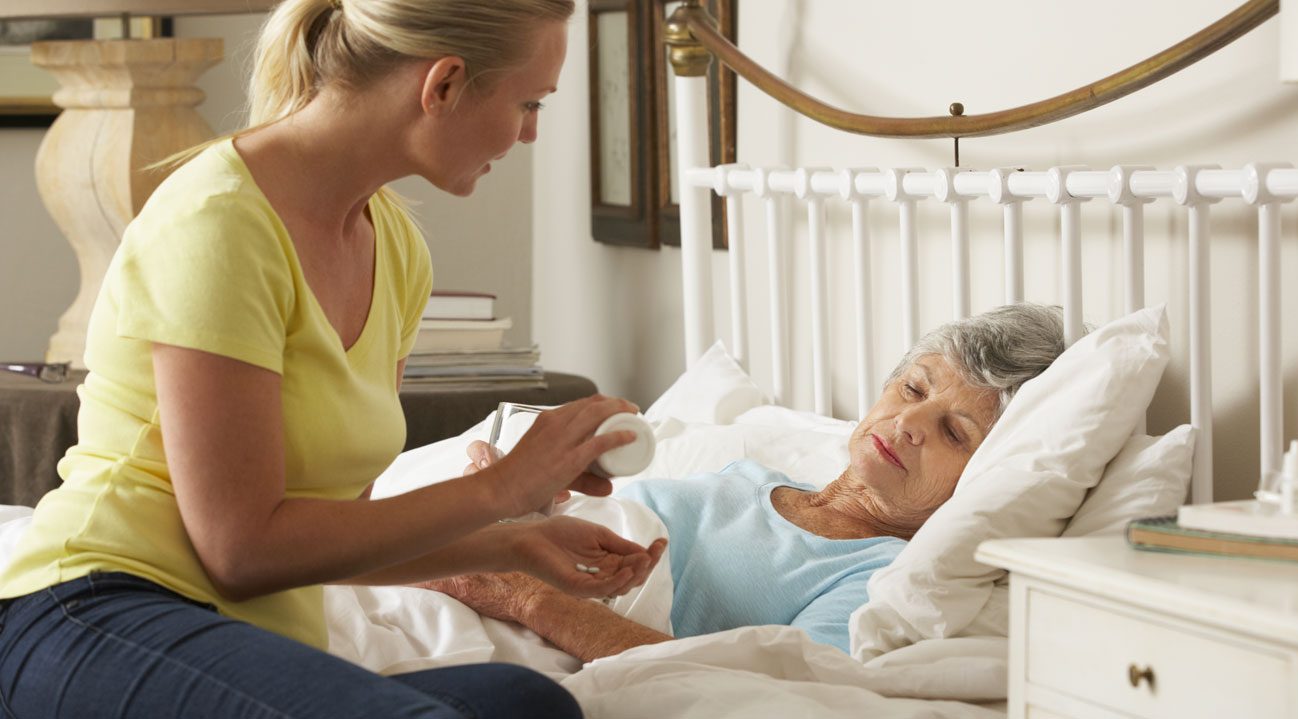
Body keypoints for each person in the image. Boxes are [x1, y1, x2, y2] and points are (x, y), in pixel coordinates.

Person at [0, 1, 665, 717]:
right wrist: (502, 485)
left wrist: (515, 543)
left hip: (227, 639)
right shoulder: (220, 221)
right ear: (442, 85)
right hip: (96, 609)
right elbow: (241, 549)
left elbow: (335, 531)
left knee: (529, 704)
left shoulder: (394, 250)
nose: (531, 132)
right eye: (529, 102)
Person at [429, 304, 1067, 662]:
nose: (907, 424)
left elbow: (759, 690)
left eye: (955, 433)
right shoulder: (750, 477)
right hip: (473, 577)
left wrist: (522, 595)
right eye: (913, 388)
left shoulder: (877, 578)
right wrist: (526, 511)